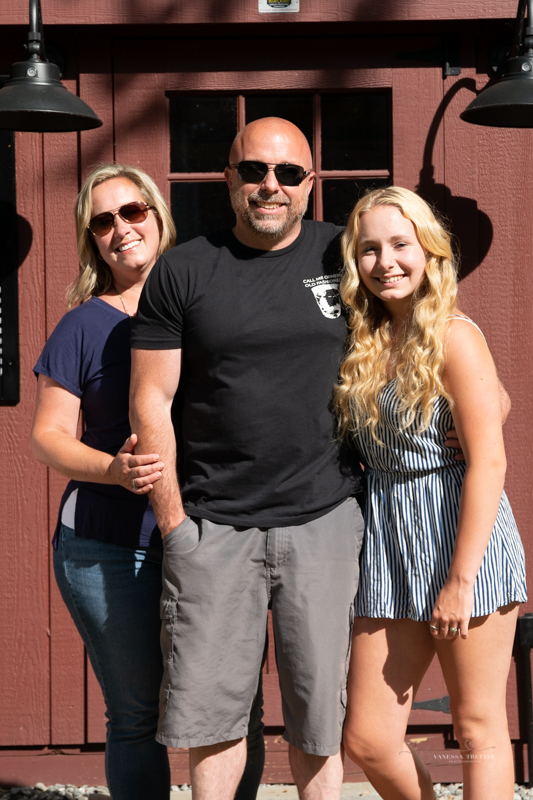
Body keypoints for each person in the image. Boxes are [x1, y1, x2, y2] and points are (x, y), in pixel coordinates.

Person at [128, 117, 366, 800]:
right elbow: (151, 396)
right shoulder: (184, 269)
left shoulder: (343, 256)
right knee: (215, 720)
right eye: (254, 171)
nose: (271, 186)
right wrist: (175, 523)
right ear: (228, 179)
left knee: (318, 721)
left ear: (309, 184)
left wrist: (459, 417)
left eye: (288, 173)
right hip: (213, 525)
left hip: (322, 520)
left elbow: (417, 334)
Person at [30, 163, 265, 800]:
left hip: (220, 533)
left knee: (233, 707)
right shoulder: (83, 325)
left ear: (159, 217)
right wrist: (112, 469)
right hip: (108, 545)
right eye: (102, 221)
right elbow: (47, 436)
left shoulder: (211, 298)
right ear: (91, 240)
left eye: (133, 212)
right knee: (136, 715)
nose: (121, 229)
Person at [334, 186, 527, 800]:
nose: (385, 261)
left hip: (462, 543)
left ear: (430, 252)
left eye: (400, 244)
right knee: (367, 738)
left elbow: (488, 462)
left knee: (477, 730)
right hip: (390, 544)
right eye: (369, 249)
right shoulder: (365, 341)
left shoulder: (454, 335)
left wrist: (461, 578)